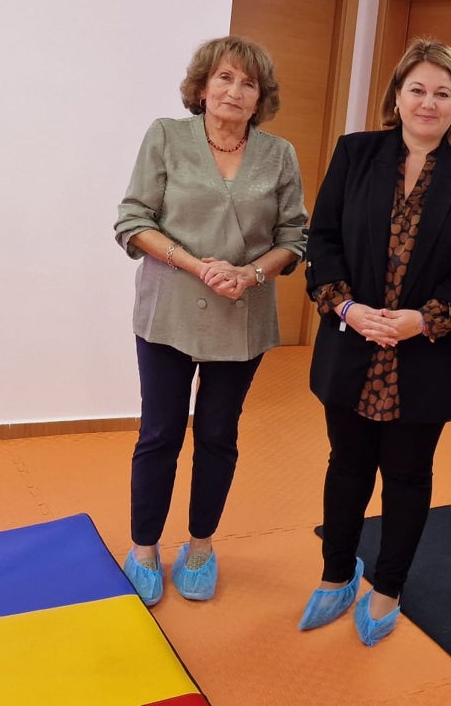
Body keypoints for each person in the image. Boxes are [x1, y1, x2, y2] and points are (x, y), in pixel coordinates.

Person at [297, 38, 451, 646]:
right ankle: (337, 575)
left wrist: (423, 318)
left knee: (409, 476)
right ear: (397, 94)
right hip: (353, 341)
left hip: (427, 351)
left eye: (443, 93)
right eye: (417, 89)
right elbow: (325, 237)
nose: (428, 102)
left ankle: (388, 585)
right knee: (347, 465)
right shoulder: (356, 153)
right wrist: (348, 306)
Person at [113, 36, 308, 606]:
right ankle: (144, 546)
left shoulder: (280, 155)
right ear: (202, 87)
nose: (234, 90)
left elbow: (293, 237)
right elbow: (132, 221)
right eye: (224, 78)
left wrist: (248, 275)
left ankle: (200, 545)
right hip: (168, 307)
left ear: (260, 98)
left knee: (219, 435)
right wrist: (198, 266)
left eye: (248, 83)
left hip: (241, 312)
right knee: (160, 433)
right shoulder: (166, 136)